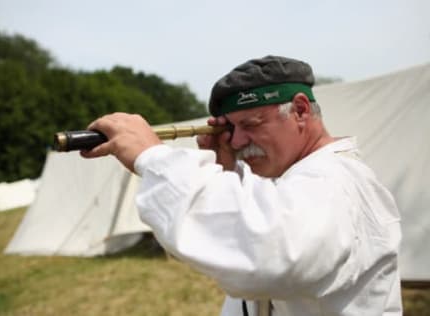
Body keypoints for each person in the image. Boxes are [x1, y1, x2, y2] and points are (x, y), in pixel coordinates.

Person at [81, 55, 402, 316]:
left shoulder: (333, 181)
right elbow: (225, 249)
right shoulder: (302, 179)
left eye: (250, 124)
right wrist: (229, 173)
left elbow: (265, 253)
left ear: (301, 110)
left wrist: (152, 157)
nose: (236, 140)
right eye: (231, 128)